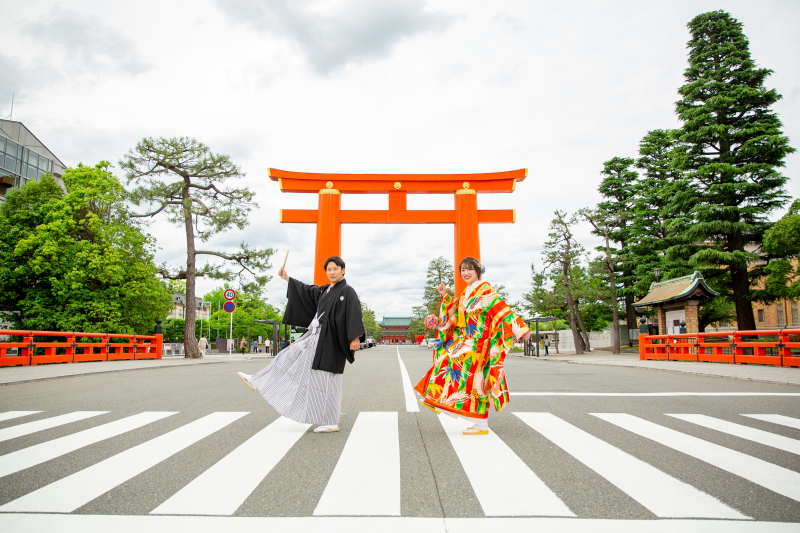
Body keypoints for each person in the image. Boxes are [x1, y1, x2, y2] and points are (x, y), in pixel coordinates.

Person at [237, 256, 365, 433]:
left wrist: (355, 337)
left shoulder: (347, 291)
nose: (332, 272)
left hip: (332, 342)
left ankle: (331, 421)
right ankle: (258, 380)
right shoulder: (325, 290)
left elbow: (354, 312)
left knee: (328, 381)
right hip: (315, 337)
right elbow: (307, 291)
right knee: (288, 356)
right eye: (329, 269)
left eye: (335, 268)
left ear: (343, 270)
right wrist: (288, 279)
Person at [415, 257, 530, 435]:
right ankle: (479, 422)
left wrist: (521, 328)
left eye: (469, 269)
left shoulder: (485, 290)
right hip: (467, 341)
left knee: (454, 366)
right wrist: (444, 295)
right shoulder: (468, 292)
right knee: (474, 383)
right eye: (463, 270)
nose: (466, 273)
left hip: (479, 343)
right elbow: (454, 308)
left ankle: (439, 399)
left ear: (478, 271)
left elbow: (501, 309)